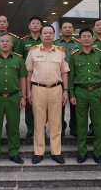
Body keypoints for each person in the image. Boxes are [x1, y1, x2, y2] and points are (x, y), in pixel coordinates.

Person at [25, 25, 70, 164]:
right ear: (41, 35)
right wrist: (28, 91)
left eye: (50, 33)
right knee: (38, 122)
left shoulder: (60, 52)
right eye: (45, 33)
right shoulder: (32, 52)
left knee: (56, 122)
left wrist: (66, 91)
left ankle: (56, 152)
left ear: (54, 35)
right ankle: (39, 152)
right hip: (38, 89)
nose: (48, 35)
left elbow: (64, 73)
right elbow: (28, 73)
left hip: (56, 89)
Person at [0, 33, 28, 165]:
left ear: (12, 44)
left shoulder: (18, 59)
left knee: (14, 127)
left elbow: (22, 79)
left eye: (7, 41)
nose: (5, 43)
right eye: (2, 41)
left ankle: (14, 152)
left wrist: (23, 97)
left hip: (13, 97)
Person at [68, 27, 101, 164]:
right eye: (83, 36)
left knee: (97, 124)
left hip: (97, 92)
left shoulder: (100, 54)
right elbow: (71, 77)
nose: (86, 39)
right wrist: (72, 94)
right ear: (79, 39)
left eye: (88, 36)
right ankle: (82, 152)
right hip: (80, 92)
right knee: (81, 124)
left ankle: (97, 152)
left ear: (93, 39)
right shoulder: (74, 56)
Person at [53, 19, 81, 137]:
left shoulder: (79, 44)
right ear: (60, 30)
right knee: (60, 104)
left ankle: (74, 127)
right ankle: (61, 127)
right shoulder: (55, 44)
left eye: (70, 27)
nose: (68, 29)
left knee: (75, 103)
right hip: (60, 78)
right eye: (65, 27)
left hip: (76, 77)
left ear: (73, 29)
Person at [18, 16, 42, 138]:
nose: (35, 25)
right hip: (28, 77)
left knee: (42, 104)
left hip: (42, 76)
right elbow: (19, 59)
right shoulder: (23, 41)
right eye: (33, 23)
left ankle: (41, 127)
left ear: (41, 26)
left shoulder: (45, 40)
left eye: (38, 23)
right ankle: (30, 128)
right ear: (29, 26)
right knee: (29, 102)